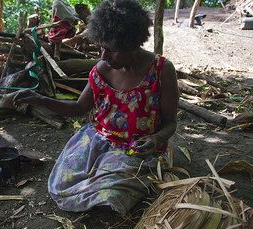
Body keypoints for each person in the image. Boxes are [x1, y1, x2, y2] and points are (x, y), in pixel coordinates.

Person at [12, 0, 179, 215]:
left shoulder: (161, 70)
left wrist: (155, 139)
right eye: (101, 48)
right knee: (63, 182)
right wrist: (39, 99)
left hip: (138, 148)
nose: (103, 57)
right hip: (98, 139)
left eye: (111, 50)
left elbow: (171, 123)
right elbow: (78, 108)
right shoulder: (101, 70)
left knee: (111, 194)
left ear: (133, 43)